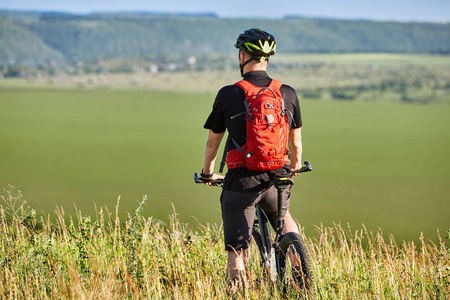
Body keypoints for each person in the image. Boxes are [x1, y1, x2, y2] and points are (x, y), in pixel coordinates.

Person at [200, 28, 303, 290]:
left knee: (237, 255)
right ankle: (301, 269)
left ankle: (238, 290)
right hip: (277, 176)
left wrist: (208, 172)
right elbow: (296, 141)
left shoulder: (229, 94)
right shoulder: (287, 93)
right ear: (269, 58)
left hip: (242, 182)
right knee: (285, 219)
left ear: (242, 55)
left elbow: (214, 140)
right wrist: (294, 166)